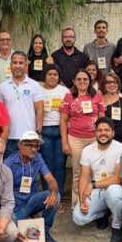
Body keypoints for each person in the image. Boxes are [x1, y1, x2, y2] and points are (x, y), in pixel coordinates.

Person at [74, 118, 122, 242]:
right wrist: (82, 199)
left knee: (114, 194)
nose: (103, 133)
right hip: (97, 190)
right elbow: (83, 177)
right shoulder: (88, 150)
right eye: (100, 130)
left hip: (114, 187)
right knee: (78, 218)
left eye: (107, 130)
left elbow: (117, 178)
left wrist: (93, 185)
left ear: (113, 133)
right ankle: (104, 213)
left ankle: (117, 227)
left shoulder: (121, 148)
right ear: (95, 133)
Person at [3, 132, 61, 242]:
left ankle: (44, 231)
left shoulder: (38, 157)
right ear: (20, 145)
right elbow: (0, 194)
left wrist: (54, 192)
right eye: (29, 145)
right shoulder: (8, 164)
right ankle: (1, 237)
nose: (33, 149)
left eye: (36, 146)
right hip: (15, 207)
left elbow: (50, 179)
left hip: (31, 201)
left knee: (55, 196)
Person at [61, 70, 106, 207]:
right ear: (74, 81)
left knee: (95, 171)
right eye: (79, 79)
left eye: (85, 79)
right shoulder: (68, 97)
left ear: (90, 81)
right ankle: (77, 203)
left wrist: (102, 137)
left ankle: (94, 203)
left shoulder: (97, 96)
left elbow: (102, 119)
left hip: (94, 139)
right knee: (77, 172)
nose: (82, 82)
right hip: (75, 139)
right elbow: (63, 121)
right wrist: (65, 143)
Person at [0, 52, 44, 160]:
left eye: (21, 63)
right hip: (9, 137)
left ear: (26, 65)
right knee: (9, 171)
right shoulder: (3, 86)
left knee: (28, 171)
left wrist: (38, 132)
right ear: (10, 65)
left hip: (29, 137)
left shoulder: (34, 85)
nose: (17, 65)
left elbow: (40, 109)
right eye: (14, 62)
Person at [38, 65, 70, 199]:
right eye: (49, 74)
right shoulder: (38, 90)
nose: (52, 77)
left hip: (60, 131)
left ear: (59, 77)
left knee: (59, 166)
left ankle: (59, 198)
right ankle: (48, 196)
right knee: (47, 166)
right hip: (44, 130)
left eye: (55, 74)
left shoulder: (64, 91)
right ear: (44, 75)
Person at [101, 71, 122, 146]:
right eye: (108, 82)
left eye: (115, 82)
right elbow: (101, 121)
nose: (112, 84)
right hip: (110, 138)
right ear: (104, 85)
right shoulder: (101, 99)